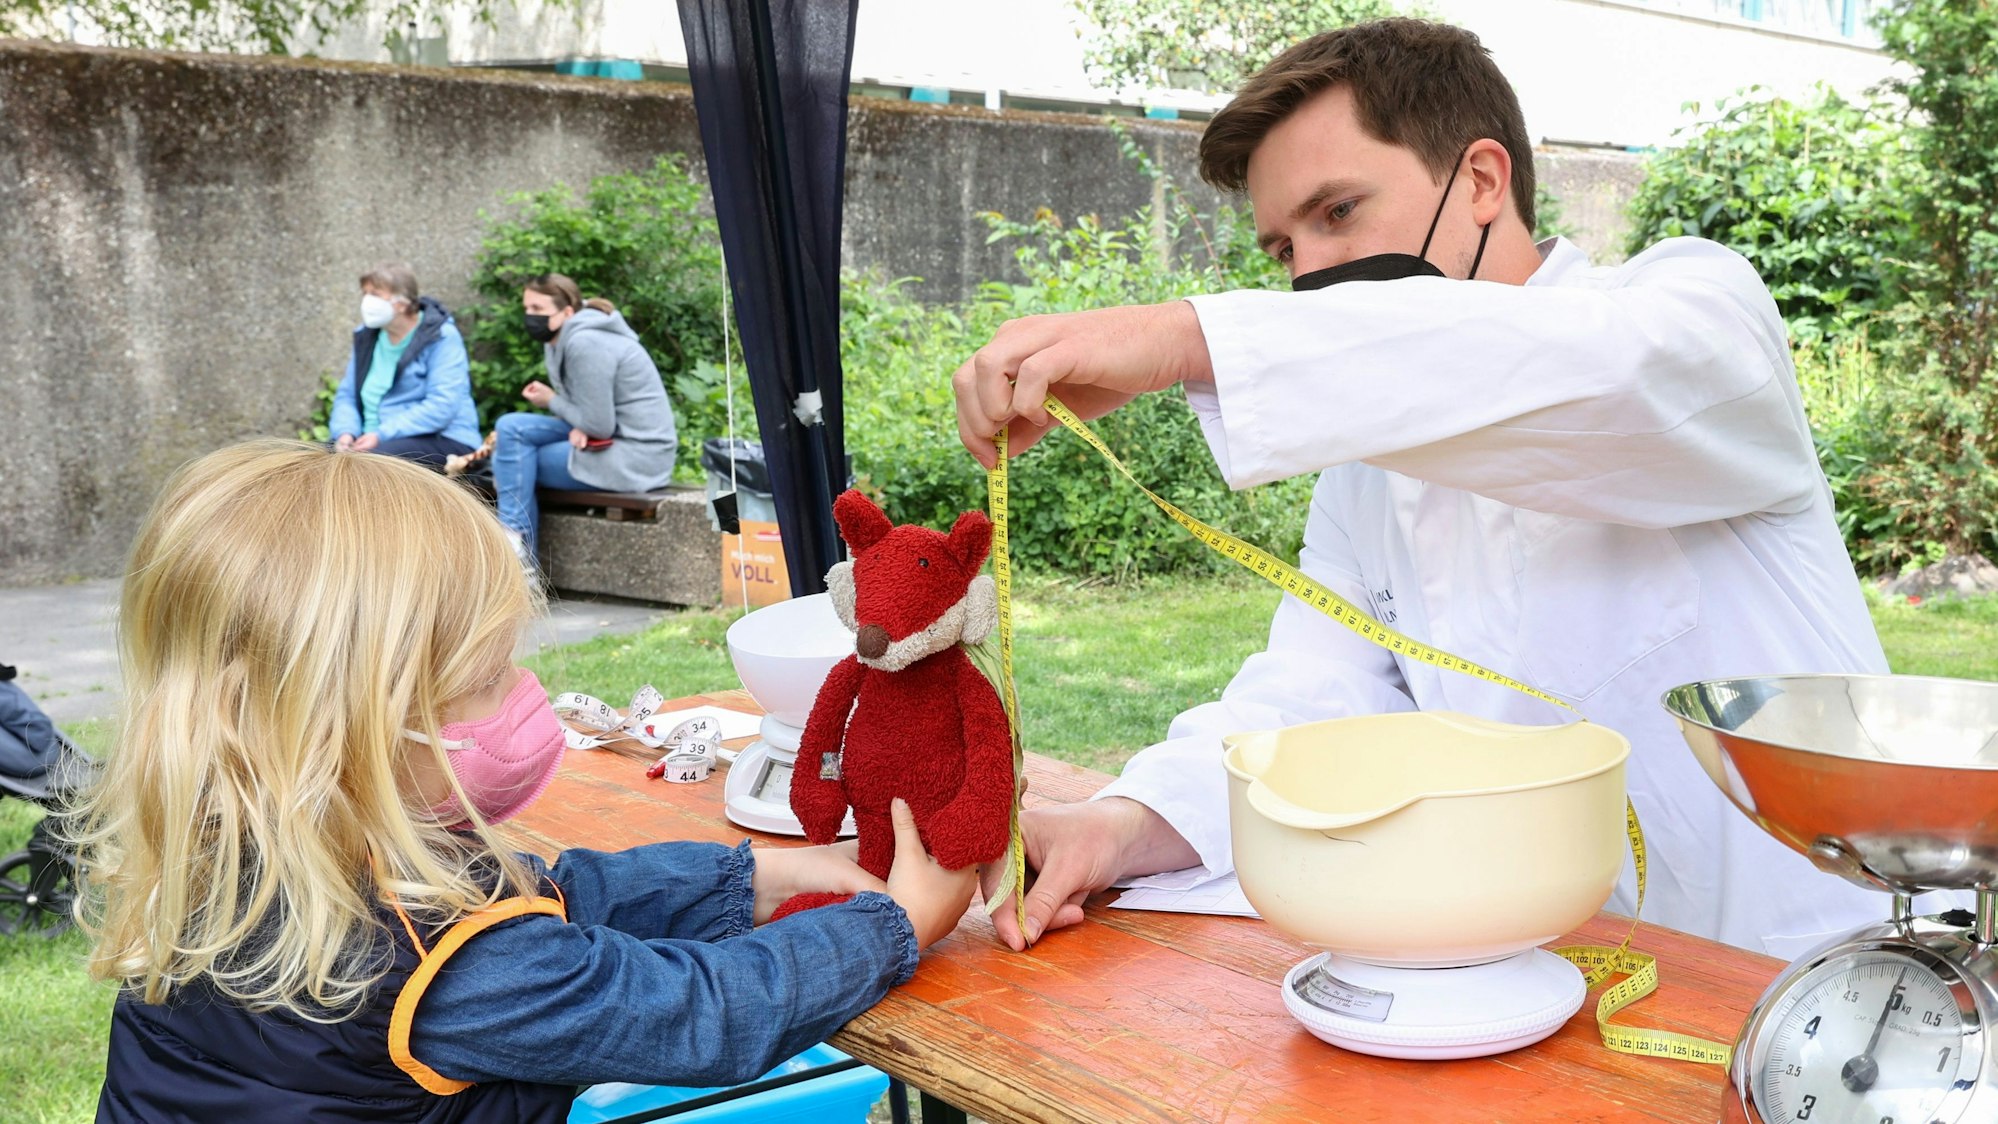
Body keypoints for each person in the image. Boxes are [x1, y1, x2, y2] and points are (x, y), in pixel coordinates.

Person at [953, 18, 1896, 960]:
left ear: (1482, 183)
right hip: (1553, 999)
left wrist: (1191, 339)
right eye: (1283, 249)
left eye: (1338, 212)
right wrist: (1113, 825)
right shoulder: (1368, 470)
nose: (1310, 272)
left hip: (1836, 990)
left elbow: (1599, 376)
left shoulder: (1697, 311)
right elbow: (1307, 707)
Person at [74, 441, 973, 1122]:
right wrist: (893, 924)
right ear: (351, 723)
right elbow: (705, 1013)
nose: (525, 697)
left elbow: (540, 893)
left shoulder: (248, 852)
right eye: (490, 674)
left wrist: (751, 878)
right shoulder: (452, 970)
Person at [494, 273, 679, 568]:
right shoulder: (558, 340)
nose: (530, 316)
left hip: (638, 456)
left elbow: (598, 424)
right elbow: (588, 411)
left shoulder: (586, 343)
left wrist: (551, 400)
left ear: (567, 312)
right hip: (611, 438)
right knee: (510, 427)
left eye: (539, 310)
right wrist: (578, 421)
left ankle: (517, 557)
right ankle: (516, 548)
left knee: (513, 460)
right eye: (527, 308)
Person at [329, 263, 482, 468]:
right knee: (313, 461)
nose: (367, 301)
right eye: (364, 293)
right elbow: (347, 396)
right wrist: (345, 433)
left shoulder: (441, 336)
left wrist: (381, 435)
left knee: (368, 465)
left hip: (442, 438)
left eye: (375, 294)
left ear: (401, 303)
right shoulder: (367, 335)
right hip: (370, 440)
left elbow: (442, 405)